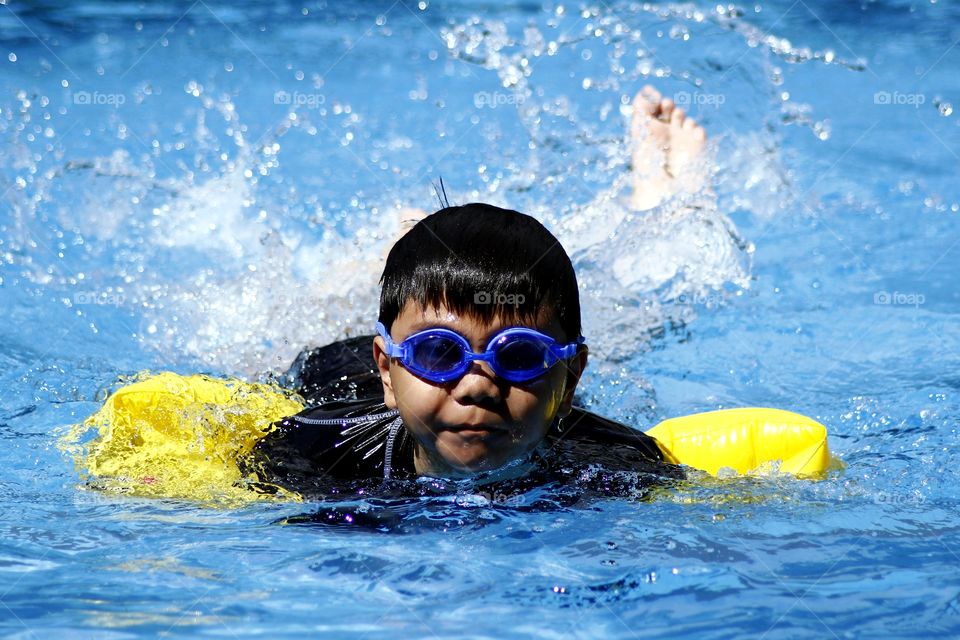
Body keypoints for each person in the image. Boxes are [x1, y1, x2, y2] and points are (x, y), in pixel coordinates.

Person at [247, 87, 709, 497]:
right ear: (386, 370)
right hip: (340, 375)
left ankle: (655, 197)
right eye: (440, 353)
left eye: (519, 355)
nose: (477, 387)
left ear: (571, 379)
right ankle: (398, 257)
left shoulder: (624, 464)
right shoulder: (310, 450)